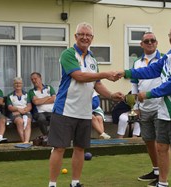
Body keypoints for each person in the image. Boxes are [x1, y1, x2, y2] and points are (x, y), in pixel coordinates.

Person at [117, 22, 171, 187]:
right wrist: (126, 72)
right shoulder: (169, 55)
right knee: (161, 146)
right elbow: (152, 70)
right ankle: (162, 183)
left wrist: (146, 94)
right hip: (165, 109)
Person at [48, 22, 124, 187]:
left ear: (92, 38)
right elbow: (79, 76)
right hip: (64, 110)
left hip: (84, 111)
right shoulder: (68, 54)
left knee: (80, 148)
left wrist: (111, 95)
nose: (84, 37)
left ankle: (75, 183)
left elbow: (96, 84)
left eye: (88, 35)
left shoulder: (92, 59)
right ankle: (52, 184)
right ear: (75, 37)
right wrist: (105, 73)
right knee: (59, 148)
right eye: (81, 34)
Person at [131, 32, 163, 187]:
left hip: (161, 106)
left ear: (157, 43)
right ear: (141, 44)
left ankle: (162, 178)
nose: (150, 43)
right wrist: (136, 106)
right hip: (144, 108)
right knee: (149, 141)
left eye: (153, 40)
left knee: (161, 144)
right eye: (146, 41)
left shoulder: (165, 59)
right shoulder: (137, 63)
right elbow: (134, 85)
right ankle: (156, 171)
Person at [29, 72, 56, 143]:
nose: (34, 81)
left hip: (51, 111)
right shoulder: (31, 91)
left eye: (35, 79)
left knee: (57, 119)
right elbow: (36, 102)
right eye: (32, 80)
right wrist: (47, 97)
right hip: (39, 112)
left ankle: (46, 137)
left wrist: (40, 100)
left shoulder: (49, 88)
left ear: (40, 79)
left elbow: (54, 99)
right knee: (41, 119)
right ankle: (47, 136)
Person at [7, 77, 32, 143]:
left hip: (26, 111)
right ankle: (23, 140)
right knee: (20, 121)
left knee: (28, 121)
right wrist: (18, 109)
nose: (18, 85)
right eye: (16, 83)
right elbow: (10, 107)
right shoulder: (10, 95)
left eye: (20, 83)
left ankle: (26, 141)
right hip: (15, 113)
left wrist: (24, 111)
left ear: (22, 84)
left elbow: (29, 106)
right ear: (13, 85)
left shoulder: (26, 94)